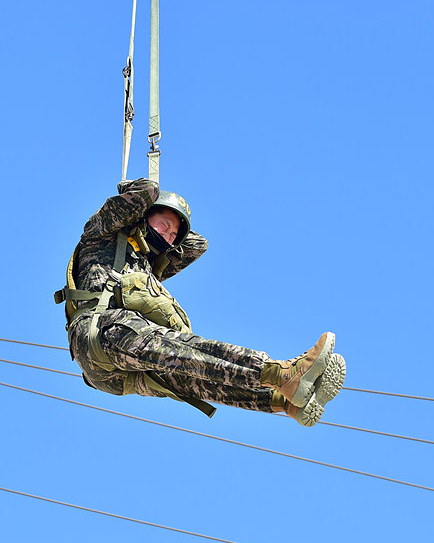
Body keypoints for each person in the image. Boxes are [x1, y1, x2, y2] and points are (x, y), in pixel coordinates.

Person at [56, 178, 346, 426]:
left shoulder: (147, 264)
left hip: (117, 376)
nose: (169, 238)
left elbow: (197, 244)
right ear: (143, 216)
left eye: (173, 235)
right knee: (183, 348)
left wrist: (170, 224)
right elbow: (146, 191)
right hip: (98, 335)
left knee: (193, 376)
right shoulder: (100, 235)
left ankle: (284, 402)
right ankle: (281, 373)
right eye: (164, 225)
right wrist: (139, 200)